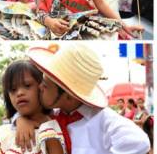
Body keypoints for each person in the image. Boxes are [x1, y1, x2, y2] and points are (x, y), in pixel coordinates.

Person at [16, 43, 150, 154]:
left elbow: (140, 142)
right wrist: (20, 119)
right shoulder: (52, 114)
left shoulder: (107, 124)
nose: (39, 87)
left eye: (45, 85)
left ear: (68, 95)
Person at [0, 60, 66, 154]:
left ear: (42, 87)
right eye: (13, 90)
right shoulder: (2, 135)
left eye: (27, 85)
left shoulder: (52, 129)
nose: (19, 93)